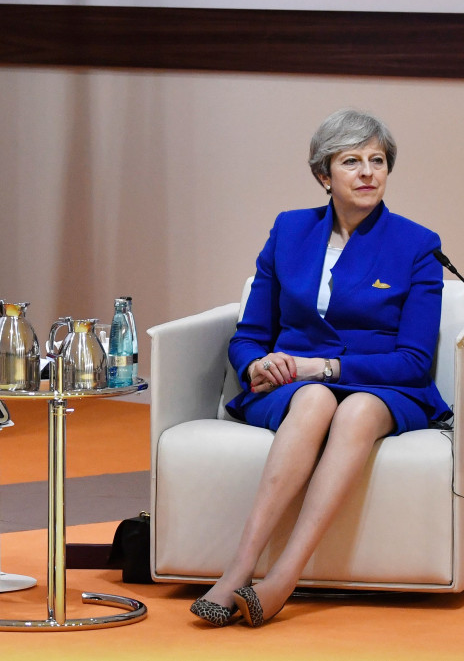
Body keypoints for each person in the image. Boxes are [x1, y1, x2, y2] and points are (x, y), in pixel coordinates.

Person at [189, 108, 450, 628]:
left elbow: (414, 360)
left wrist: (324, 367)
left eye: (377, 160)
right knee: (313, 400)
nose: (368, 172)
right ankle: (242, 564)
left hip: (385, 386)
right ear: (323, 174)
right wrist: (259, 365)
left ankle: (285, 573)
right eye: (351, 161)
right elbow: (249, 335)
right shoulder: (289, 231)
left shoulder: (417, 245)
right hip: (294, 388)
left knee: (351, 410)